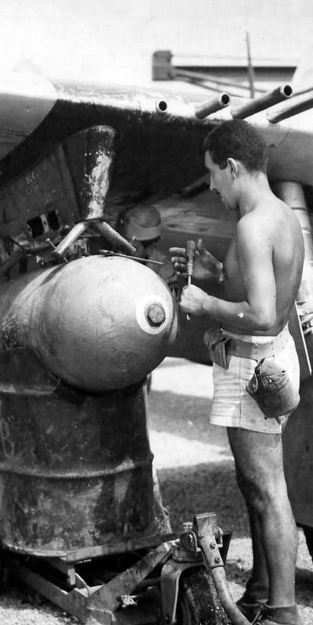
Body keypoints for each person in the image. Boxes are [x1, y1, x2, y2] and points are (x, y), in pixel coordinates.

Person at [170, 120, 306, 625]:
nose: (210, 187)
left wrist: (205, 305)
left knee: (267, 487)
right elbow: (262, 286)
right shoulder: (280, 218)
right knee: (257, 484)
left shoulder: (252, 226)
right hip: (266, 363)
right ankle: (264, 593)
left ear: (232, 166)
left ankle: (284, 618)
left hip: (252, 362)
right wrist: (216, 272)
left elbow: (265, 314)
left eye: (212, 174)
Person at [117, 204, 172, 532]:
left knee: (136, 444)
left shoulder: (158, 264)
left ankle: (151, 518)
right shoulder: (113, 262)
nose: (149, 249)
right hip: (111, 365)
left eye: (153, 243)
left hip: (135, 368)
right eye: (143, 244)